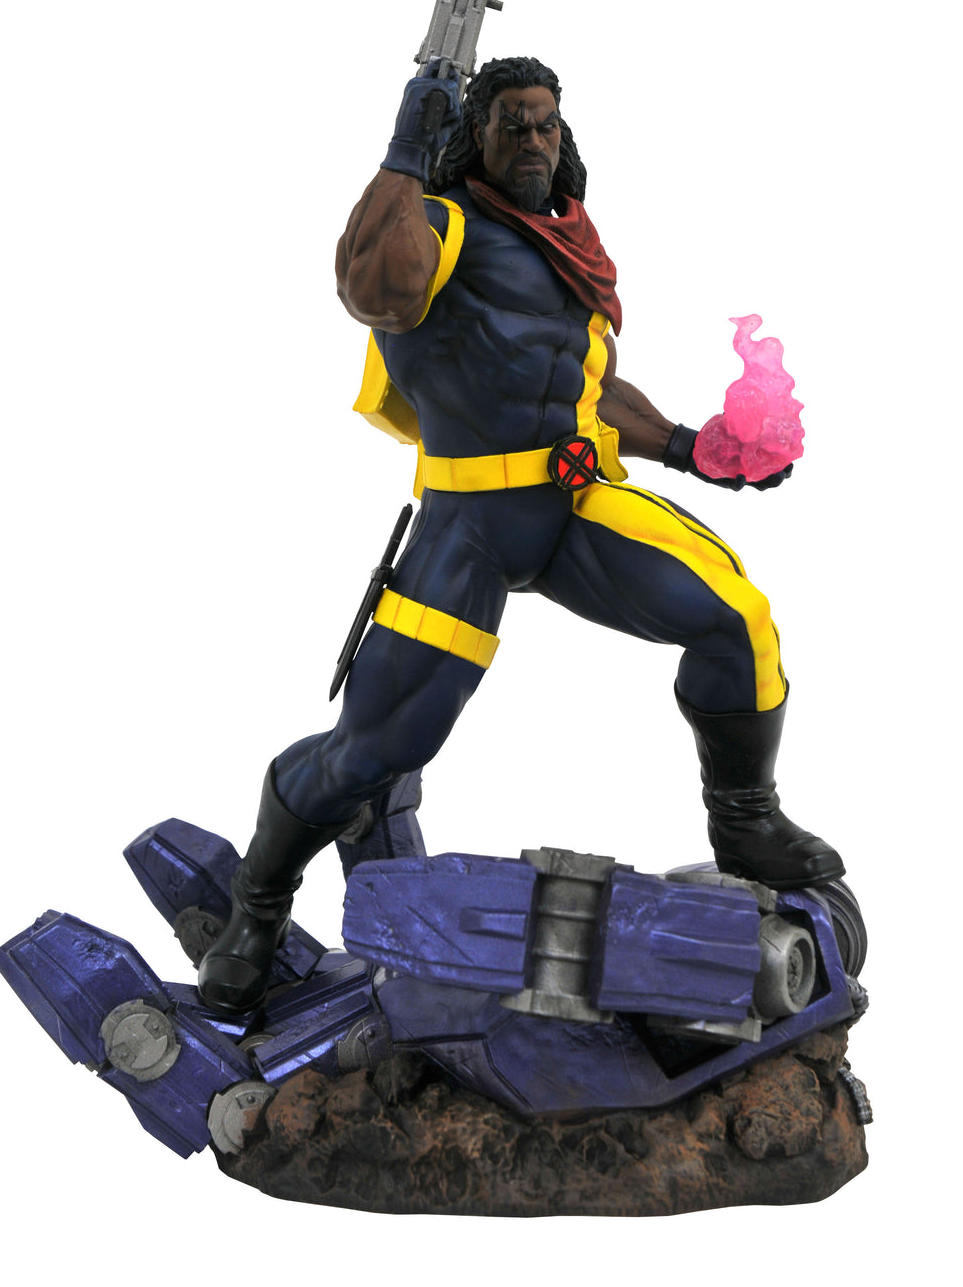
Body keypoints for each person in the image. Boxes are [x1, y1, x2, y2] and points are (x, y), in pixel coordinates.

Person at [198, 56, 844, 1013]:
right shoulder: (436, 224)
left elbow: (584, 386)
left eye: (546, 124)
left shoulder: (566, 242)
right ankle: (257, 903)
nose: (534, 141)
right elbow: (377, 291)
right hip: (469, 523)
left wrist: (688, 447)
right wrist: (405, 152)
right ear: (478, 136)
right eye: (512, 125)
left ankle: (745, 820)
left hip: (574, 506)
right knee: (376, 747)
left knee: (735, 619)